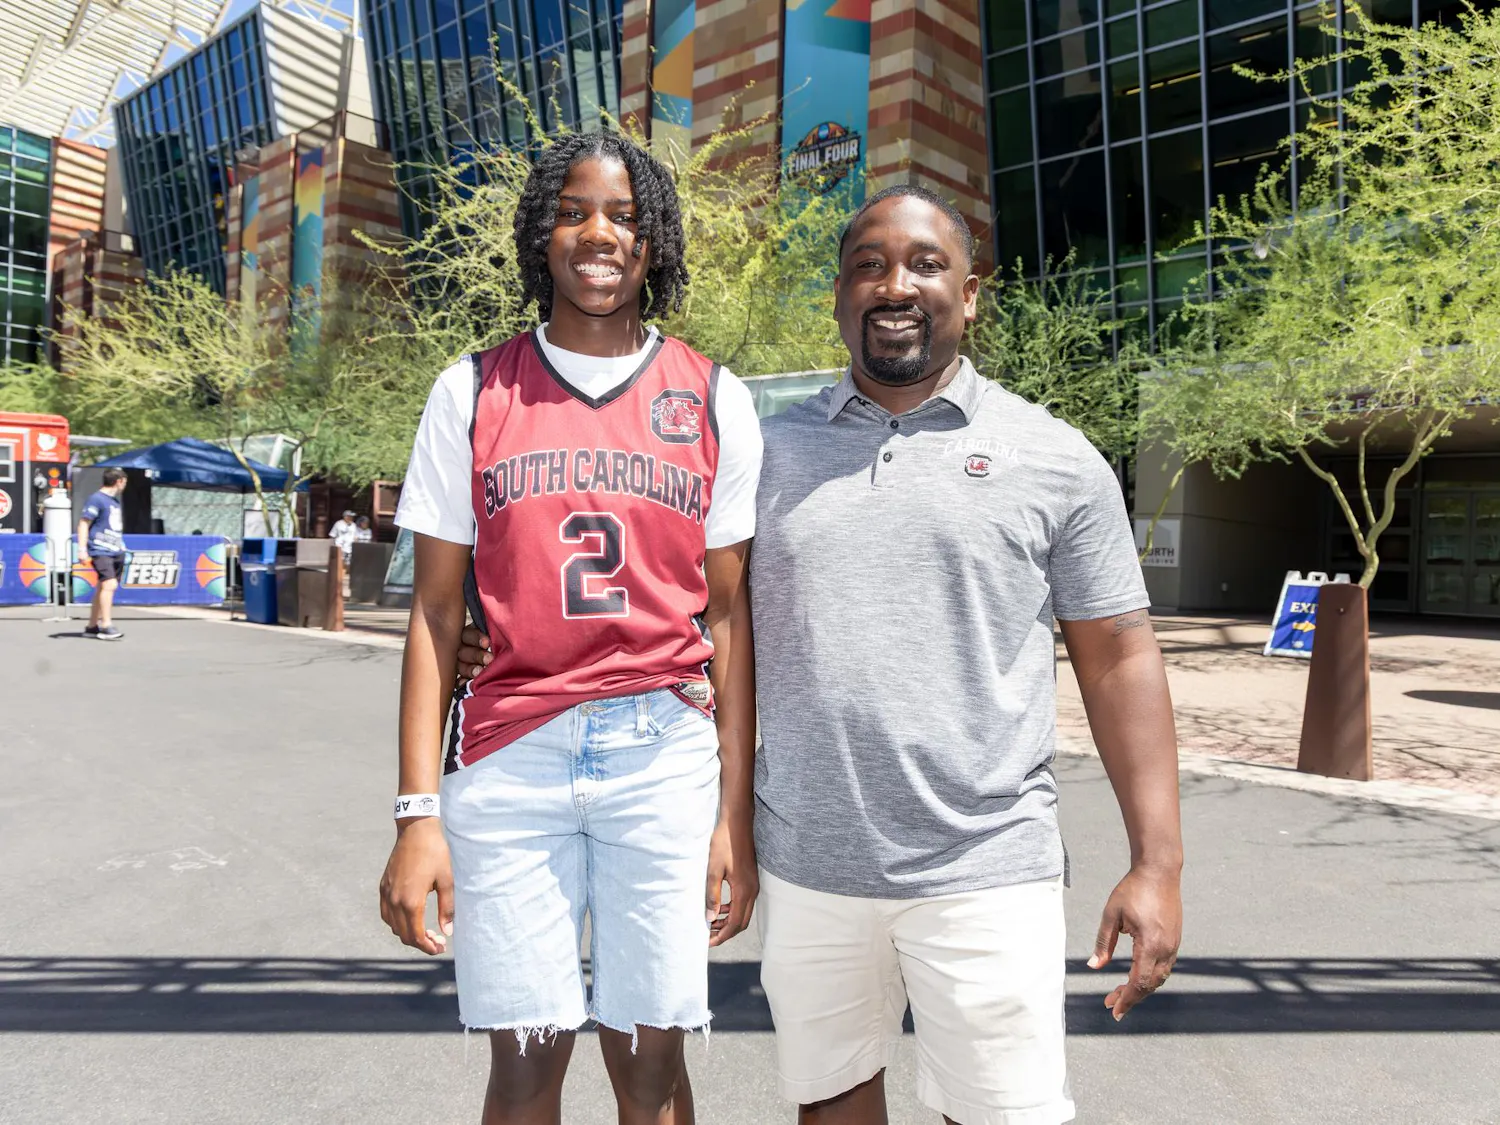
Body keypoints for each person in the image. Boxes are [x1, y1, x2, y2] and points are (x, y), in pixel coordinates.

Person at [458, 184, 1183, 1125]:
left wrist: (1156, 862)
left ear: (971, 295)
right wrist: (497, 627)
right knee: (831, 1111)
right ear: (839, 296)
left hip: (987, 868)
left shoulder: (1054, 457)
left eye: (926, 264)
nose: (895, 285)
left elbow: (1121, 657)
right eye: (869, 265)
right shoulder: (761, 449)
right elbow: (673, 591)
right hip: (808, 869)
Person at [379, 131, 762, 1125]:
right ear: (540, 232)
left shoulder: (716, 398)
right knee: (525, 1063)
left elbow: (727, 616)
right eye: (575, 211)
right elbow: (432, 612)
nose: (601, 233)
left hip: (661, 751)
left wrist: (733, 815)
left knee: (650, 1066)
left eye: (628, 216)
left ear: (656, 242)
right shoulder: (470, 391)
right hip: (512, 753)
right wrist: (417, 813)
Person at [78, 468, 128, 641]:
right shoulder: (96, 499)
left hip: (115, 549)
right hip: (100, 549)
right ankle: (106, 625)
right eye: (124, 482)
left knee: (103, 586)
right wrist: (82, 549)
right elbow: (84, 523)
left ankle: (92, 626)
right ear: (119, 481)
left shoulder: (114, 502)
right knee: (110, 584)